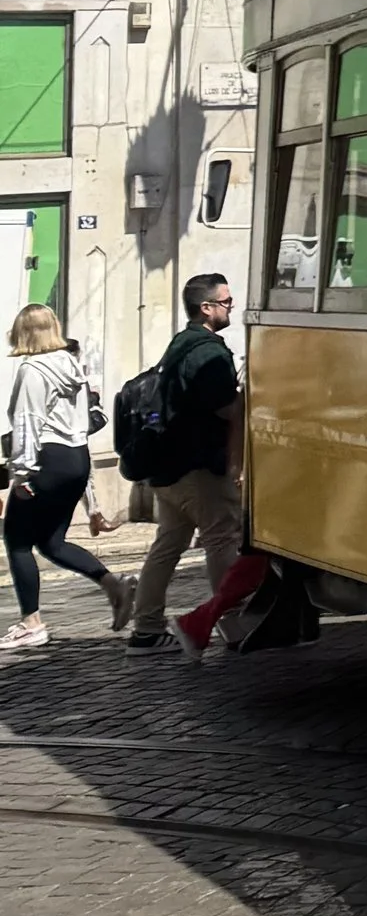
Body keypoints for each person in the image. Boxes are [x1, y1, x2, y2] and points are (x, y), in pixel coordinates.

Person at [126, 273, 245, 653]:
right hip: (198, 465)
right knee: (222, 537)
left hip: (167, 465)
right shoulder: (208, 351)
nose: (232, 306)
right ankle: (232, 621)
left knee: (168, 544)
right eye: (226, 302)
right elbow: (224, 407)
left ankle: (146, 628)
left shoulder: (180, 343)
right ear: (206, 308)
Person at [5, 306, 136, 649]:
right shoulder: (70, 365)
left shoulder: (32, 370)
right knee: (52, 542)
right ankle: (113, 585)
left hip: (46, 460)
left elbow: (27, 423)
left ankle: (31, 623)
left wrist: (21, 475)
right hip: (75, 459)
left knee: (17, 540)